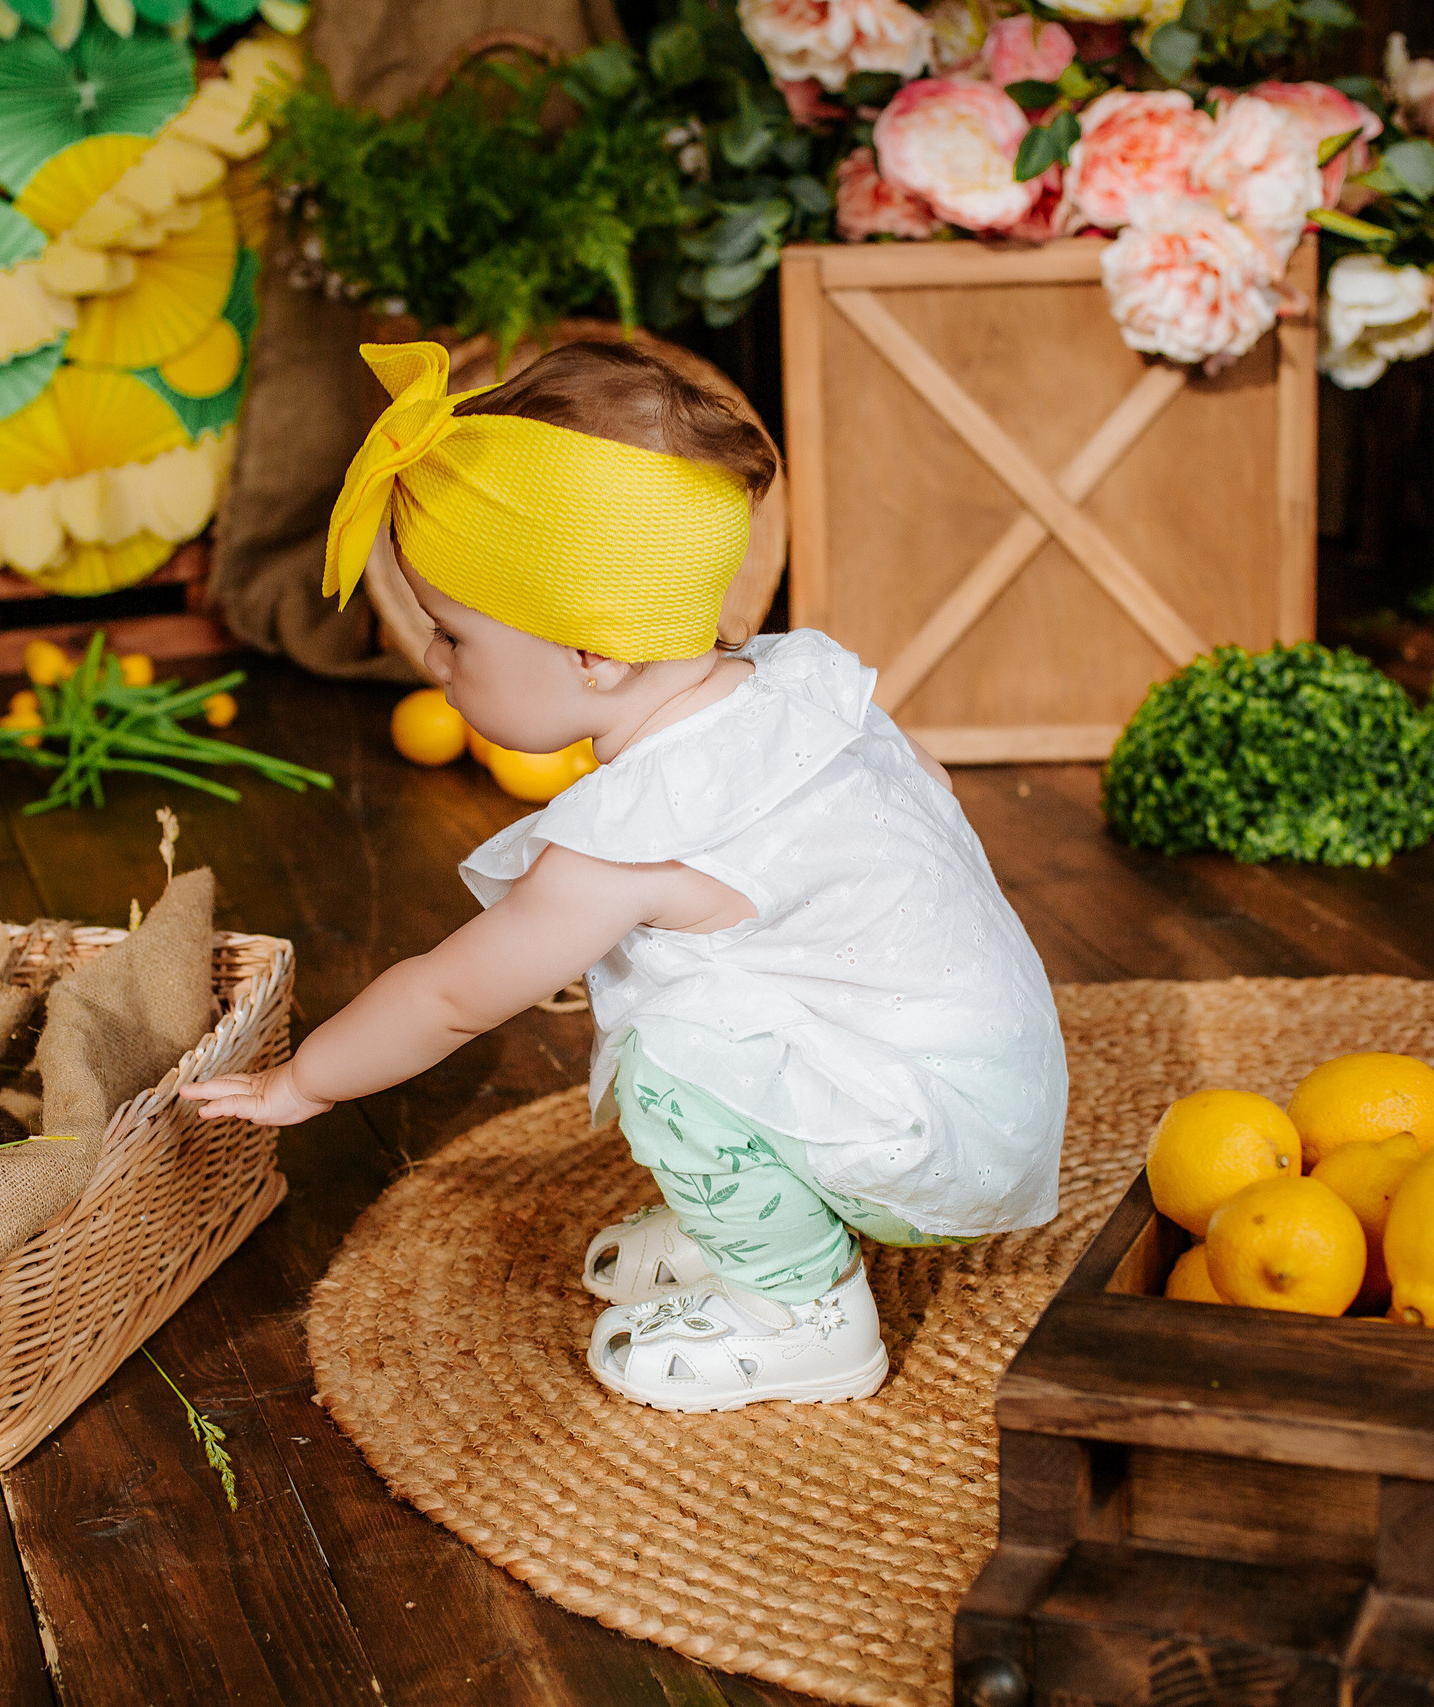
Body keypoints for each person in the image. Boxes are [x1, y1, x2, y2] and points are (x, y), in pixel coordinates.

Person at [181, 339, 1067, 1413]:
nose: (433, 662)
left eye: (453, 634)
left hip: (934, 1149)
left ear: (594, 657)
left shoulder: (641, 833)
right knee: (721, 995)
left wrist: (302, 1083)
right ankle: (761, 1210)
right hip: (986, 1075)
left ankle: (803, 1315)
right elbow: (921, 804)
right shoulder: (794, 688)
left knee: (672, 1059)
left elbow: (453, 994)